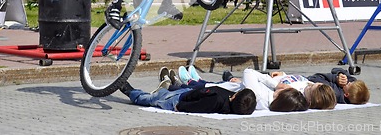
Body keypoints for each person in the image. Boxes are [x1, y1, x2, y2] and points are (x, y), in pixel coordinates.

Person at [175, 67, 308, 112]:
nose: (284, 86)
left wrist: (273, 83)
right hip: (226, 87)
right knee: (207, 84)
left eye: (286, 89)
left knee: (189, 90)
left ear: (282, 94)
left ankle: (183, 83)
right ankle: (190, 81)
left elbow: (248, 71)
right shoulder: (269, 100)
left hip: (217, 89)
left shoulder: (258, 94)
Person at [119, 80, 257, 115]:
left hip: (178, 100)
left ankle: (131, 93)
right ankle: (170, 85)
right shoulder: (227, 100)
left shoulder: (217, 100)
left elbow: (198, 106)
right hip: (187, 92)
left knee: (152, 99)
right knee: (161, 94)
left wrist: (180, 107)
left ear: (235, 97)